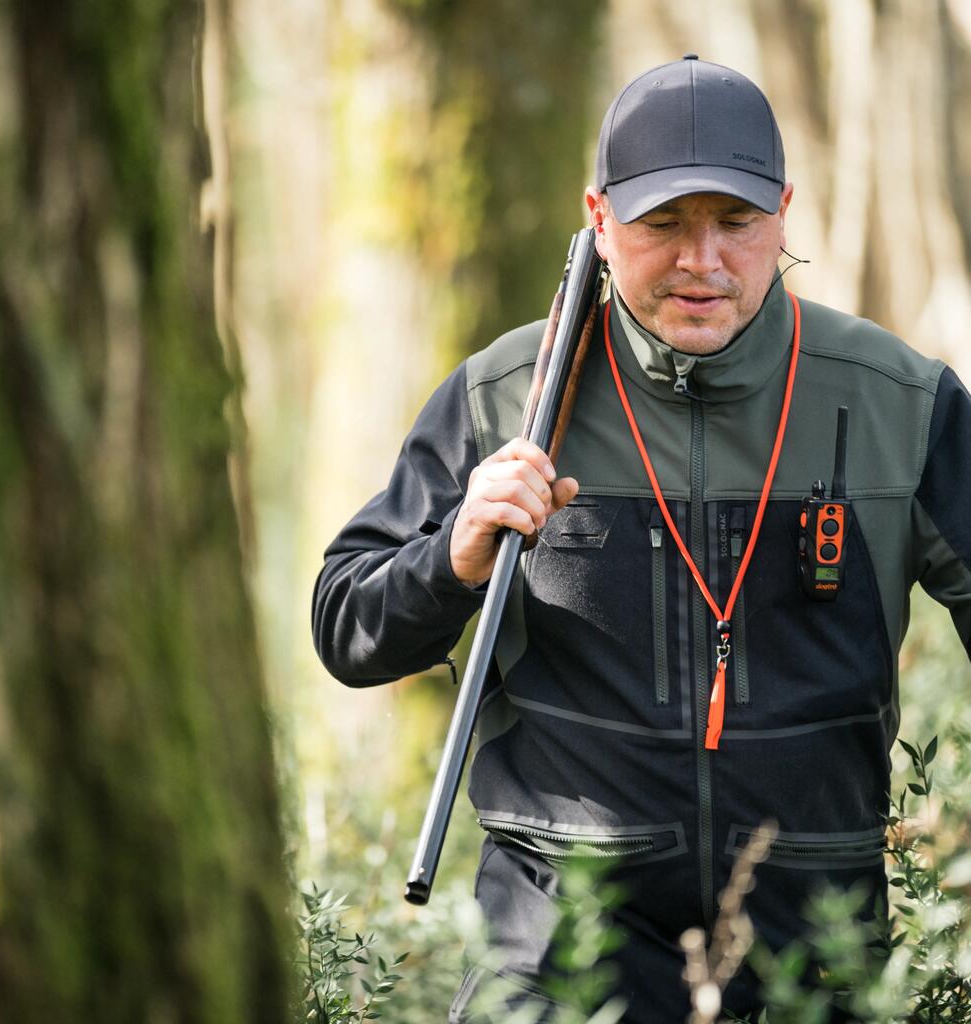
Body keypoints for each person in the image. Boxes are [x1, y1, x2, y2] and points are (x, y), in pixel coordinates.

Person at [311, 55, 971, 1022]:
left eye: (736, 223)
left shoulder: (901, 402)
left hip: (814, 954)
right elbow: (345, 624)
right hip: (556, 956)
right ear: (599, 217)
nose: (702, 260)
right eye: (663, 223)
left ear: (783, 212)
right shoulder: (504, 397)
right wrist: (450, 557)